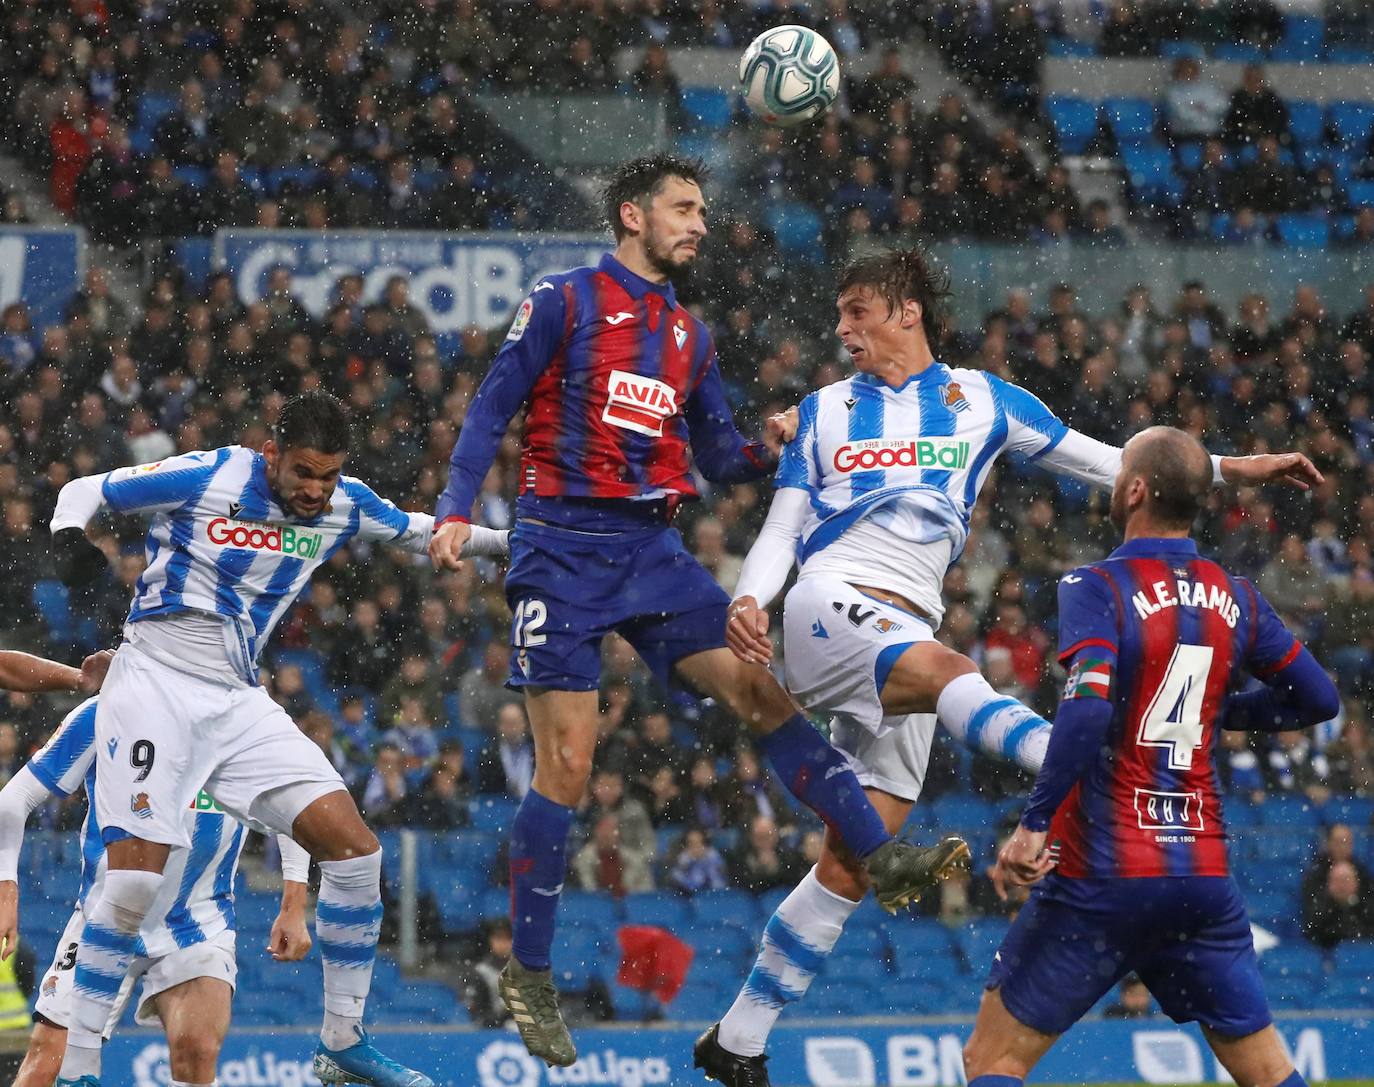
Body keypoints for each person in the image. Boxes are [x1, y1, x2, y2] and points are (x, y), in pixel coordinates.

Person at [699, 247, 1324, 1087]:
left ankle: (736, 1039)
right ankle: (1085, 756)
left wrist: (1233, 465)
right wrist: (752, 595)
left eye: (856, 310)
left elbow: (1118, 462)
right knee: (956, 668)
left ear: (906, 308)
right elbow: (782, 524)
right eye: (841, 314)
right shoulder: (821, 410)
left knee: (854, 854)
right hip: (830, 605)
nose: (842, 328)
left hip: (902, 631)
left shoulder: (984, 400)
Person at [427, 155, 963, 1067]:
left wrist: (775, 442)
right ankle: (529, 969)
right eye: (684, 207)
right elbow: (490, 409)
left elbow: (721, 458)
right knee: (565, 765)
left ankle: (879, 852)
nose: (701, 223)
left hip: (651, 550)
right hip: (558, 546)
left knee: (761, 690)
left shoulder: (690, 336)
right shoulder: (563, 300)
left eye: (705, 209)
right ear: (631, 214)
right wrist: (453, 507)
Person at [46, 391, 508, 1087]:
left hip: (236, 697)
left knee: (356, 850)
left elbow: (427, 530)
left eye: (327, 475)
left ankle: (341, 1041)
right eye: (303, 474)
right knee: (135, 875)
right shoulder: (212, 476)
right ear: (272, 455)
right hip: (155, 677)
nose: (315, 490)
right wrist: (68, 544)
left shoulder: (345, 502)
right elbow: (86, 489)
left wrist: (518, 541)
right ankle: (81, 1070)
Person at [961, 426, 1340, 1087]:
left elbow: (1085, 709)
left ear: (1135, 489)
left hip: (1104, 872)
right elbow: (1316, 697)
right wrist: (1223, 711)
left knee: (993, 1061)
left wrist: (1034, 822)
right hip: (1199, 875)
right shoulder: (1238, 595)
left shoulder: (1097, 585)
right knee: (1269, 1072)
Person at [0, 698, 312, 1087]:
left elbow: (295, 803)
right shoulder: (109, 708)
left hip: (199, 918)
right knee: (49, 1064)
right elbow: (14, 799)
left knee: (197, 1053)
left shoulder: (249, 716)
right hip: (105, 915)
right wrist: (6, 892)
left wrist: (294, 902)